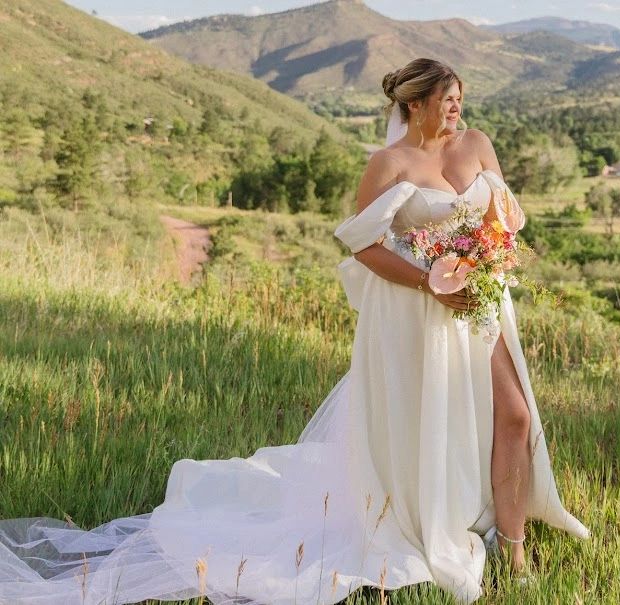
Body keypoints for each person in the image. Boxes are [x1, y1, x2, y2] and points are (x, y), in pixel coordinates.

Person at [0, 58, 588, 605]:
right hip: (419, 313)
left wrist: (494, 257)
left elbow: (502, 221)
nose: (458, 109)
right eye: (447, 99)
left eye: (460, 98)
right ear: (414, 106)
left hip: (484, 305)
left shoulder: (478, 145)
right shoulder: (389, 166)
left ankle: (513, 553)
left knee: (513, 416)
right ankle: (430, 514)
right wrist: (428, 282)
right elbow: (364, 247)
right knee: (434, 421)